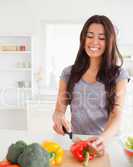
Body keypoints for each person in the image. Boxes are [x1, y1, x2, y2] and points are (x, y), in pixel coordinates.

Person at [52, 15, 129, 156]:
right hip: (77, 142)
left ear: (109, 42)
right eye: (90, 36)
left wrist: (102, 140)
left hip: (107, 142)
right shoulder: (68, 73)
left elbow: (116, 115)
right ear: (83, 39)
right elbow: (59, 110)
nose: (94, 42)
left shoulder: (119, 75)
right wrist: (58, 119)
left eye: (101, 38)